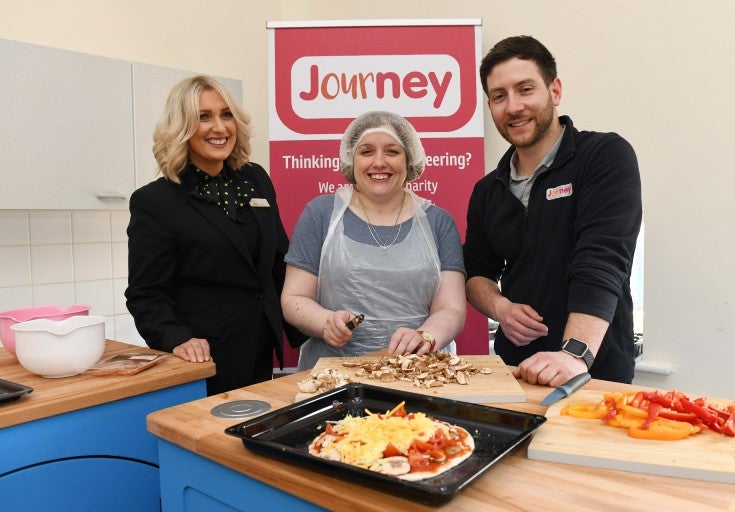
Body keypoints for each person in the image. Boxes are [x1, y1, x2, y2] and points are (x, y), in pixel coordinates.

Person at [464, 36, 642, 386]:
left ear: (554, 91)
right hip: (516, 371)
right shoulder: (487, 191)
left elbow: (603, 258)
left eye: (525, 89)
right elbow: (475, 273)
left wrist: (574, 354)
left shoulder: (604, 156)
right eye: (499, 96)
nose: (513, 106)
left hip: (592, 370)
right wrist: (501, 308)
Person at [126, 75, 305, 395]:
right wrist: (176, 338)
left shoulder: (256, 179)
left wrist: (311, 326)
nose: (220, 127)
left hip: (262, 346)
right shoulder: (156, 201)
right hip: (203, 357)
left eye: (226, 115)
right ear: (181, 127)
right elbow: (146, 294)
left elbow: (278, 261)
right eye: (203, 117)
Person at [281, 111, 467, 371]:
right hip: (333, 375)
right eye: (366, 151)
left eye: (392, 151)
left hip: (417, 371)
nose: (379, 162)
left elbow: (452, 308)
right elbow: (294, 297)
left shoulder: (438, 222)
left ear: (409, 160)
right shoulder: (321, 214)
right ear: (351, 159)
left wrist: (425, 335)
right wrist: (325, 322)